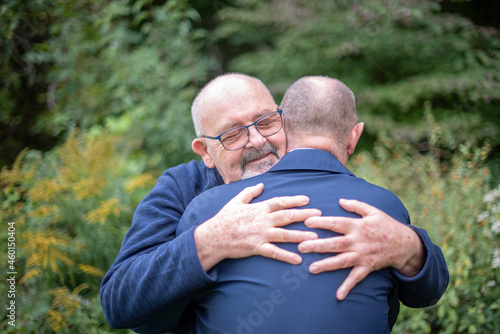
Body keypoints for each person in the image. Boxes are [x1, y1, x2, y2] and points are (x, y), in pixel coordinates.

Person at [100, 74, 448, 332]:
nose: (257, 140)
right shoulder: (183, 190)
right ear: (205, 152)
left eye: (266, 121)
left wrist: (409, 248)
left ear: (287, 120)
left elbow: (421, 292)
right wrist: (208, 243)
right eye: (232, 134)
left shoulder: (334, 182)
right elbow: (119, 303)